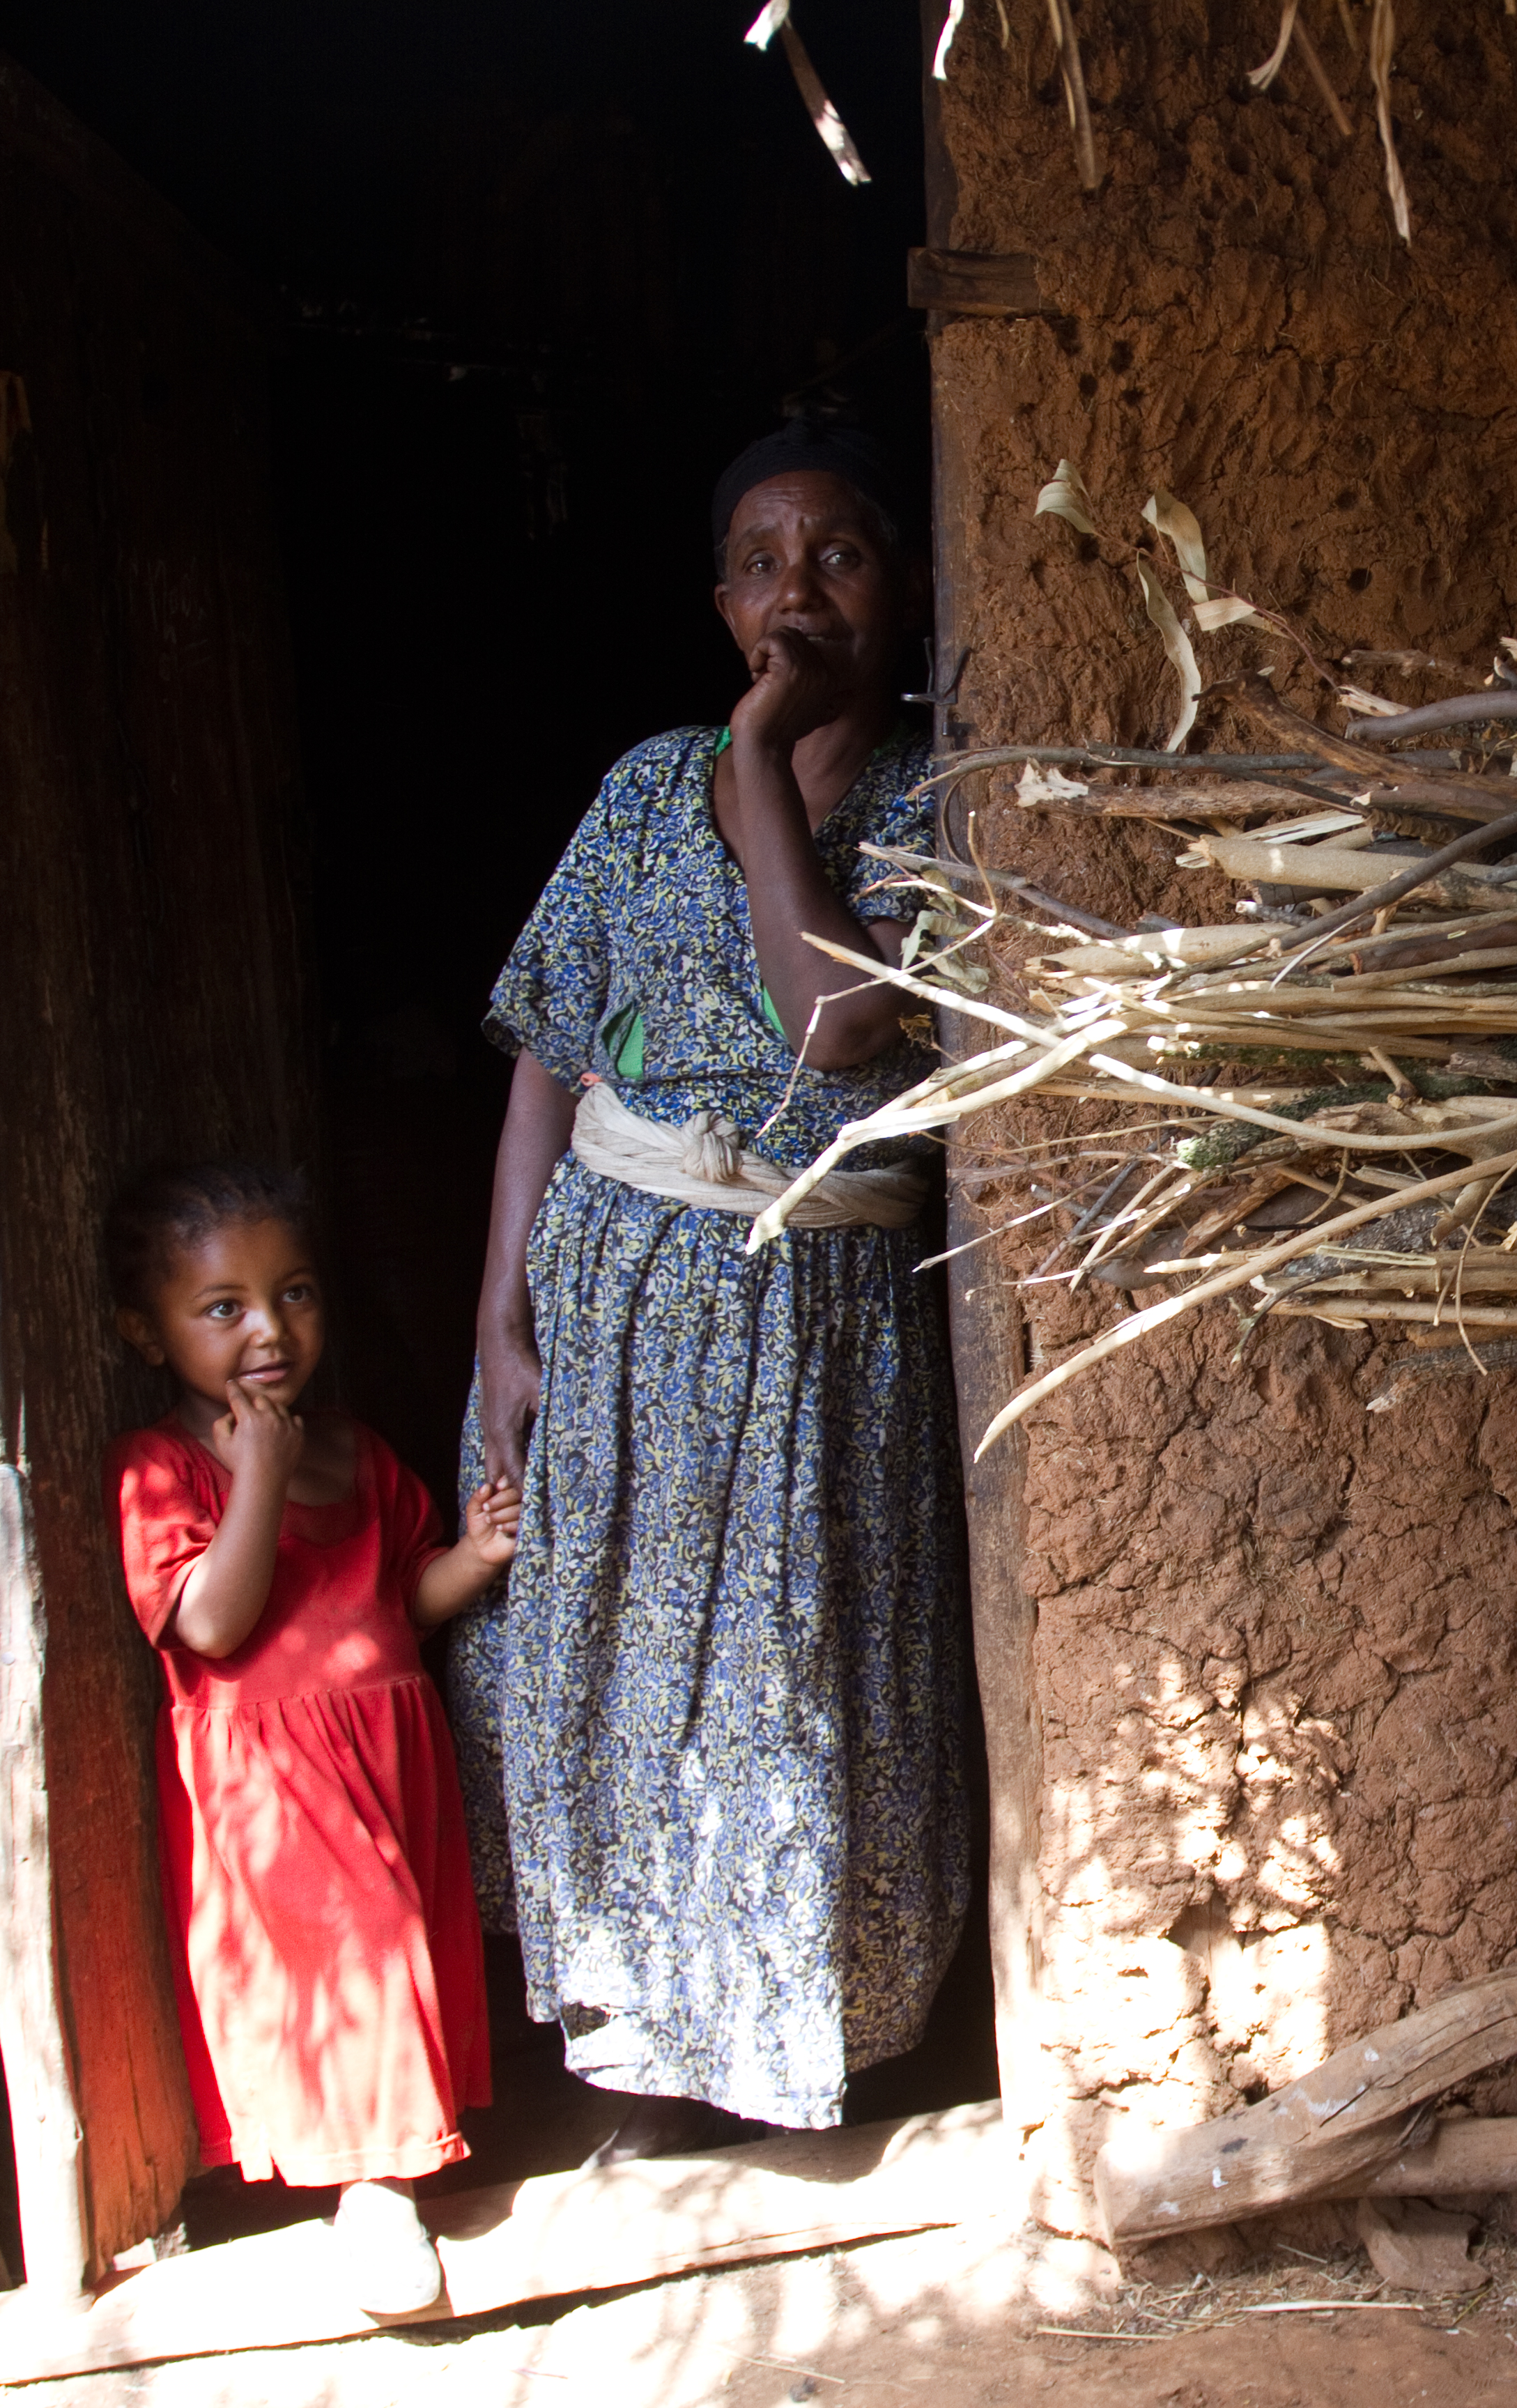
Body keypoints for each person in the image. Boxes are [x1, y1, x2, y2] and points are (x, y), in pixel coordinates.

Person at [446, 415, 973, 2154]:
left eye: (838, 555)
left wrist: (759, 758)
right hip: (615, 1296)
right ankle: (639, 2057)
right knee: (615, 1676)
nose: (794, 591)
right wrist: (500, 1321)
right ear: (720, 602)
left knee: (792, 1686)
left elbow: (837, 1021)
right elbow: (549, 1050)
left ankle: (808, 2046)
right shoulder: (641, 784)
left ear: (908, 584)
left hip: (822, 1319)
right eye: (758, 562)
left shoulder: (945, 801)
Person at [107, 1160, 515, 2317]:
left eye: (293, 1293)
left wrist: (473, 1559)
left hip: (389, 1753)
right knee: (358, 1954)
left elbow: (399, 1602)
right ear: (147, 1333)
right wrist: (260, 1479)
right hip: (271, 1775)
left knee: (395, 1949)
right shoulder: (158, 1469)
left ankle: (376, 2164)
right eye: (222, 1307)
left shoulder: (358, 1452)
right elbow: (212, 1623)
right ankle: (378, 2198)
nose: (270, 1330)